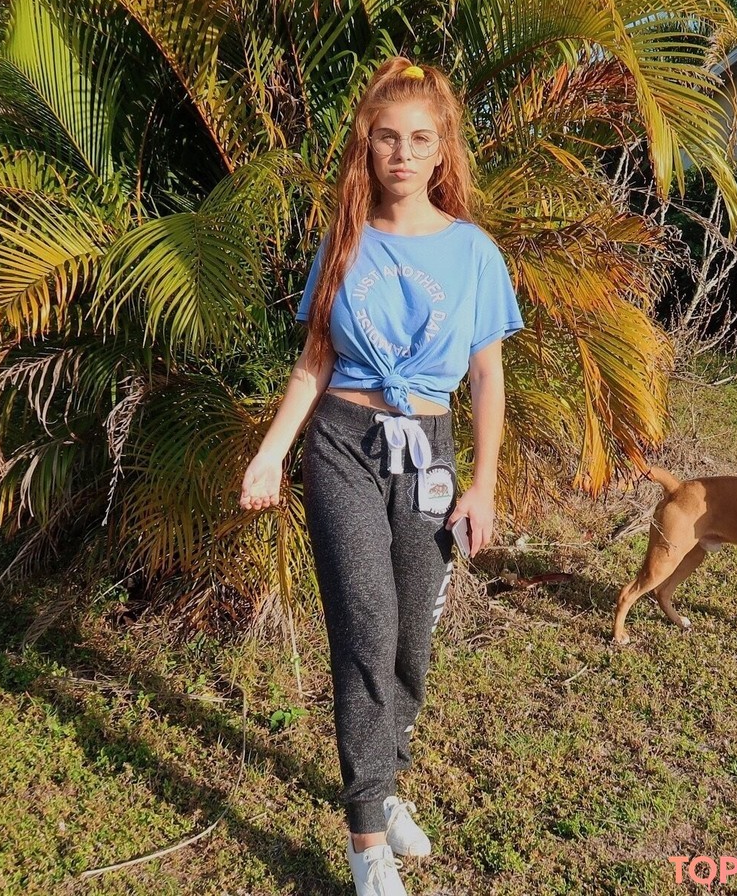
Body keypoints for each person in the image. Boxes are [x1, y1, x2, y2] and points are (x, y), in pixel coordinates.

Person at [239, 57, 523, 896]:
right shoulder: (345, 243)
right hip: (343, 444)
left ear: (442, 151)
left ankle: (386, 776)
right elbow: (313, 362)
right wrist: (271, 450)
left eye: (420, 139)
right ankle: (367, 838)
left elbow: (487, 378)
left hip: (428, 453)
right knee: (365, 629)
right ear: (367, 147)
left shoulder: (473, 252)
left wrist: (483, 485)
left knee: (409, 643)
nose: (403, 153)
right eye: (387, 138)